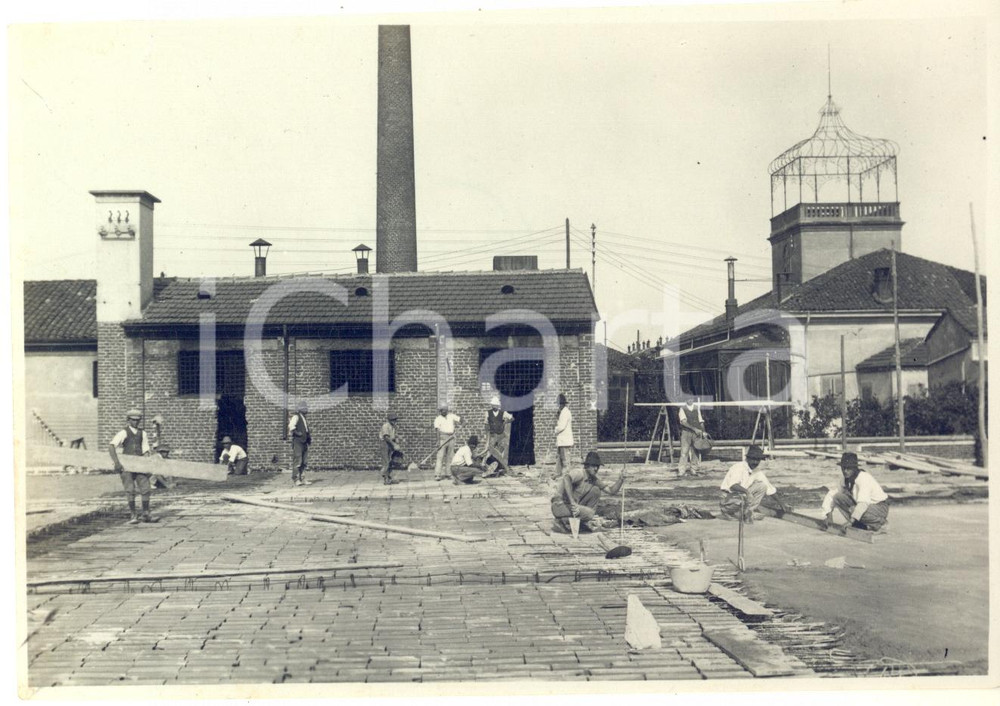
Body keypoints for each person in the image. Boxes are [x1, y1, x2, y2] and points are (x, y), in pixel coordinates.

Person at [550, 450, 624, 534]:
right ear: (587, 466)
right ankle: (560, 521)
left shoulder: (593, 479)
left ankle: (581, 523)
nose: (596, 469)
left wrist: (621, 479)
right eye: (593, 466)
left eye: (597, 466)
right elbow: (567, 478)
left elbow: (611, 491)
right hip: (559, 505)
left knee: (596, 491)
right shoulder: (579, 473)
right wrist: (573, 503)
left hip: (571, 507)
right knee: (590, 514)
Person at [108, 408, 156, 524]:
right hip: (126, 465)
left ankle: (146, 513)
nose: (136, 422)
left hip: (139, 465)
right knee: (130, 490)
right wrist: (117, 463)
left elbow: (145, 450)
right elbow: (111, 446)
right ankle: (133, 514)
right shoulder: (123, 432)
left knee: (145, 488)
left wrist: (147, 464)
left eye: (138, 420)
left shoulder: (142, 433)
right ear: (128, 420)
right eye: (133, 420)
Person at [822, 452, 890, 532]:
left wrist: (850, 521)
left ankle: (881, 524)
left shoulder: (863, 478)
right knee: (838, 497)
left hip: (879, 508)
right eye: (843, 468)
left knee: (854, 509)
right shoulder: (845, 479)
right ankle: (860, 525)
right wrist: (828, 516)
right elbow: (832, 495)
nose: (845, 471)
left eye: (849, 468)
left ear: (855, 468)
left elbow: (863, 503)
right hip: (865, 507)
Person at [719, 445, 790, 522]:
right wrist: (747, 492)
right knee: (743, 499)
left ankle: (747, 512)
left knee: (762, 486)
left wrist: (781, 503)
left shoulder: (756, 471)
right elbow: (733, 485)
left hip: (741, 495)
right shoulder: (739, 467)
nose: (755, 462)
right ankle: (726, 511)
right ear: (748, 458)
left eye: (758, 460)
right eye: (753, 459)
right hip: (728, 497)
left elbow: (769, 488)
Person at [483, 396, 514, 476]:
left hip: (501, 435)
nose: (494, 407)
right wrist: (487, 435)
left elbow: (512, 418)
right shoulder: (488, 413)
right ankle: (487, 465)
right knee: (490, 451)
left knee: (501, 451)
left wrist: (506, 421)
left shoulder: (503, 413)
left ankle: (503, 467)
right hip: (493, 435)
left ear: (498, 406)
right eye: (493, 405)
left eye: (496, 405)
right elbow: (486, 425)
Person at [677, 398, 706, 476]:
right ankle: (682, 471)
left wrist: (703, 431)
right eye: (688, 398)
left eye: (691, 398)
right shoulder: (682, 409)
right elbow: (683, 422)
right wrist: (694, 429)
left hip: (696, 434)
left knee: (695, 451)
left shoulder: (696, 408)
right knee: (684, 452)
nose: (690, 400)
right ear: (686, 400)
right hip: (686, 433)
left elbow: (700, 421)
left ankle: (693, 469)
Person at [432, 405, 461, 481]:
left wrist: (463, 423)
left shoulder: (451, 416)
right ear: (440, 411)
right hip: (442, 438)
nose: (445, 411)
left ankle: (449, 474)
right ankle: (437, 475)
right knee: (440, 457)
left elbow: (460, 419)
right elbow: (437, 431)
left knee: (450, 457)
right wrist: (438, 441)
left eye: (446, 410)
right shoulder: (438, 419)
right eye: (443, 410)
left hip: (451, 437)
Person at [288, 401, 312, 486]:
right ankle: (296, 479)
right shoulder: (296, 416)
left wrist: (308, 438)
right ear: (301, 409)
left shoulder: (304, 418)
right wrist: (298, 433)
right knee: (298, 460)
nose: (307, 409)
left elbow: (306, 430)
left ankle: (303, 478)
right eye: (305, 408)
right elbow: (291, 426)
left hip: (304, 442)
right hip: (298, 442)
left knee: (304, 461)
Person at [554, 393, 574, 478]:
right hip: (561, 441)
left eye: (559, 404)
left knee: (565, 459)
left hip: (565, 441)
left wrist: (555, 429)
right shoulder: (562, 412)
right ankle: (558, 474)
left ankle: (567, 475)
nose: (558, 406)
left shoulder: (565, 412)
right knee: (559, 458)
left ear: (562, 404)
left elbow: (561, 427)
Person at [379, 412, 402, 485]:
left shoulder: (393, 426)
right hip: (385, 444)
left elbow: (393, 436)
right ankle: (386, 479)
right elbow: (386, 437)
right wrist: (394, 444)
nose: (395, 421)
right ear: (389, 420)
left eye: (395, 419)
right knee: (386, 462)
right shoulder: (386, 426)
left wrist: (397, 439)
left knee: (391, 461)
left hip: (390, 444)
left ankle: (388, 477)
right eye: (393, 420)